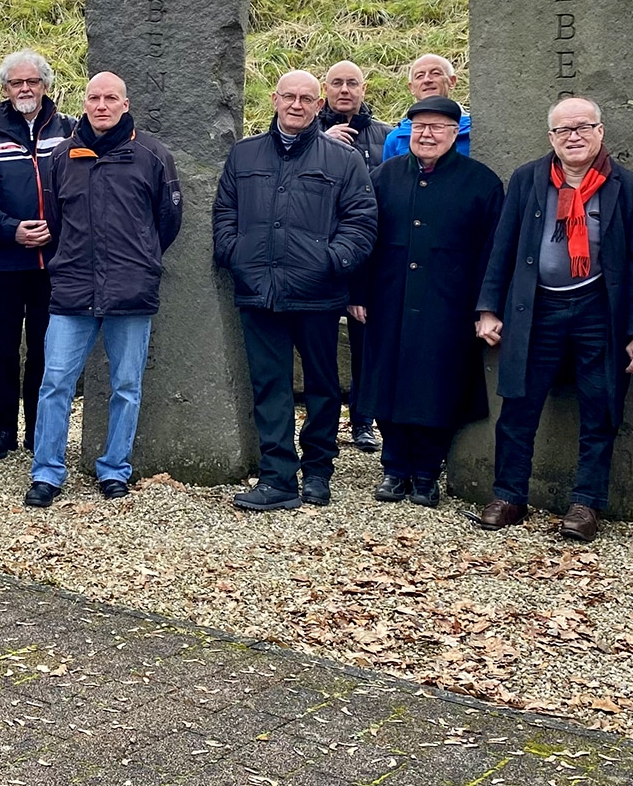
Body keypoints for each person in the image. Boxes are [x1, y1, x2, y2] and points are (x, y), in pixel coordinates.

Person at [473, 97, 633, 542]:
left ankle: (586, 504)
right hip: (536, 309)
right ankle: (509, 495)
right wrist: (487, 308)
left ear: (600, 132)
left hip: (599, 311)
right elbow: (504, 247)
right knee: (518, 405)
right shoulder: (528, 180)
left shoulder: (631, 190)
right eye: (563, 130)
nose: (573, 137)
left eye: (582, 127)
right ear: (551, 138)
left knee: (601, 408)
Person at [213, 69, 378, 511]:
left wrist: (329, 263)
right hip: (259, 292)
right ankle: (277, 476)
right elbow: (224, 212)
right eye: (290, 96)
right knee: (270, 386)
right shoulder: (244, 155)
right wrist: (237, 255)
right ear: (275, 99)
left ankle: (320, 470)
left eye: (307, 98)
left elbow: (362, 223)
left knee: (324, 387)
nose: (298, 105)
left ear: (319, 104)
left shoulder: (343, 159)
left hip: (318, 294)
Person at [24, 72, 182, 508]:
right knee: (55, 382)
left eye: (111, 98)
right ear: (84, 103)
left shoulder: (152, 155)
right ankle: (47, 472)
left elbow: (166, 223)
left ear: (125, 104)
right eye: (94, 97)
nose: (102, 105)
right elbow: (53, 220)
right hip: (72, 290)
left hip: (131, 292)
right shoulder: (62, 156)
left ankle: (114, 468)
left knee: (126, 385)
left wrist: (142, 259)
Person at [353, 95, 503, 506]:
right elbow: (363, 237)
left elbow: (495, 250)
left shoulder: (481, 182)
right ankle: (393, 467)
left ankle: (426, 471)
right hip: (388, 297)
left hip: (449, 302)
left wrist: (485, 306)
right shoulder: (383, 176)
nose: (427, 134)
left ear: (455, 133)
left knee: (438, 385)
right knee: (388, 381)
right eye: (419, 127)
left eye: (437, 127)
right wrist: (358, 293)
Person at [0, 49, 71, 460]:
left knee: (46, 350)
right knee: (3, 349)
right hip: (3, 263)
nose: (25, 89)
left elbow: (79, 194)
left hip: (53, 263)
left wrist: (53, 230)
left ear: (45, 85)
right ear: (4, 89)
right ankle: (2, 429)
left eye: (32, 82)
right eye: (16, 83)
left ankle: (37, 431)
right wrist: (13, 230)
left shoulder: (70, 133)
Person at [318, 59, 389, 452]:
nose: (345, 90)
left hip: (368, 253)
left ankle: (363, 421)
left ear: (364, 89)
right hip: (322, 254)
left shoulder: (386, 135)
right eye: (337, 83)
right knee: (323, 346)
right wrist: (323, 141)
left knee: (367, 344)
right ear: (325, 89)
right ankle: (323, 422)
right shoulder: (309, 132)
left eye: (353, 83)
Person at [380, 54, 473, 160]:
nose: (427, 80)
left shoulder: (475, 130)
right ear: (411, 88)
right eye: (419, 76)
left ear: (452, 81)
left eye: (436, 73)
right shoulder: (396, 138)